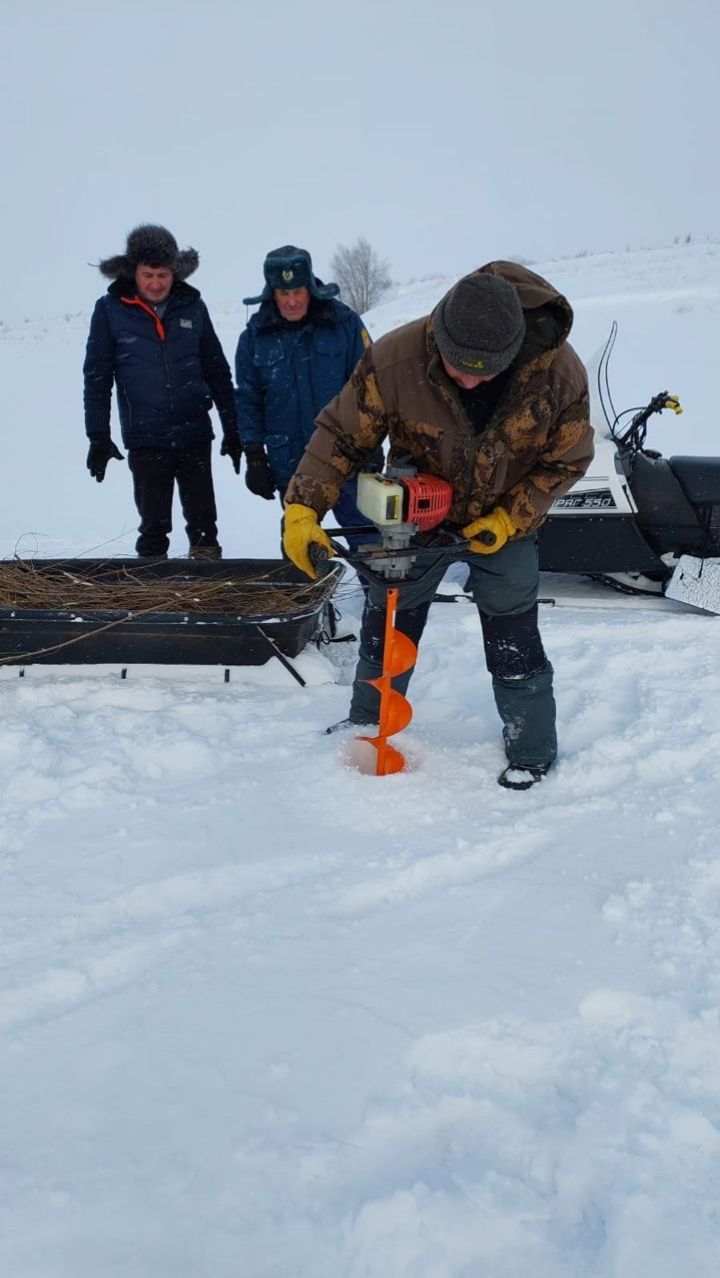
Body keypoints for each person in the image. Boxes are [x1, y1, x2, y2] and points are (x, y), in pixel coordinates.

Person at [281, 261, 594, 789]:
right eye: (457, 367)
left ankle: (532, 744)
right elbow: (341, 435)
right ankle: (367, 724)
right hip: (418, 511)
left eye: (484, 372)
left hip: (504, 521)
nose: (469, 380)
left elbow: (567, 462)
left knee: (513, 627)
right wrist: (302, 508)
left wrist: (509, 516)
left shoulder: (557, 375)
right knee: (390, 618)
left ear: (513, 352)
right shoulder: (397, 360)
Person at [83, 223, 242, 559]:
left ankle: (205, 595)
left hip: (194, 432)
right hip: (146, 438)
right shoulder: (111, 310)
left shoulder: (192, 306)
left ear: (175, 272)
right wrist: (98, 435)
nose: (156, 283)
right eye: (148, 275)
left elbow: (216, 369)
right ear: (134, 272)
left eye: (163, 275)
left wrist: (233, 427)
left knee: (204, 524)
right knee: (153, 526)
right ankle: (155, 598)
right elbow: (97, 376)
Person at [234, 245, 378, 545]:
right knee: (300, 541)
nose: (291, 301)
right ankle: (304, 594)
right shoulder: (254, 338)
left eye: (298, 291)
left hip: (346, 457)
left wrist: (374, 445)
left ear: (310, 286)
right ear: (271, 292)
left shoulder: (344, 324)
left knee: (367, 539)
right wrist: (254, 455)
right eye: (282, 293)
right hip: (290, 461)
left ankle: (377, 593)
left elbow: (371, 388)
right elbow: (248, 399)